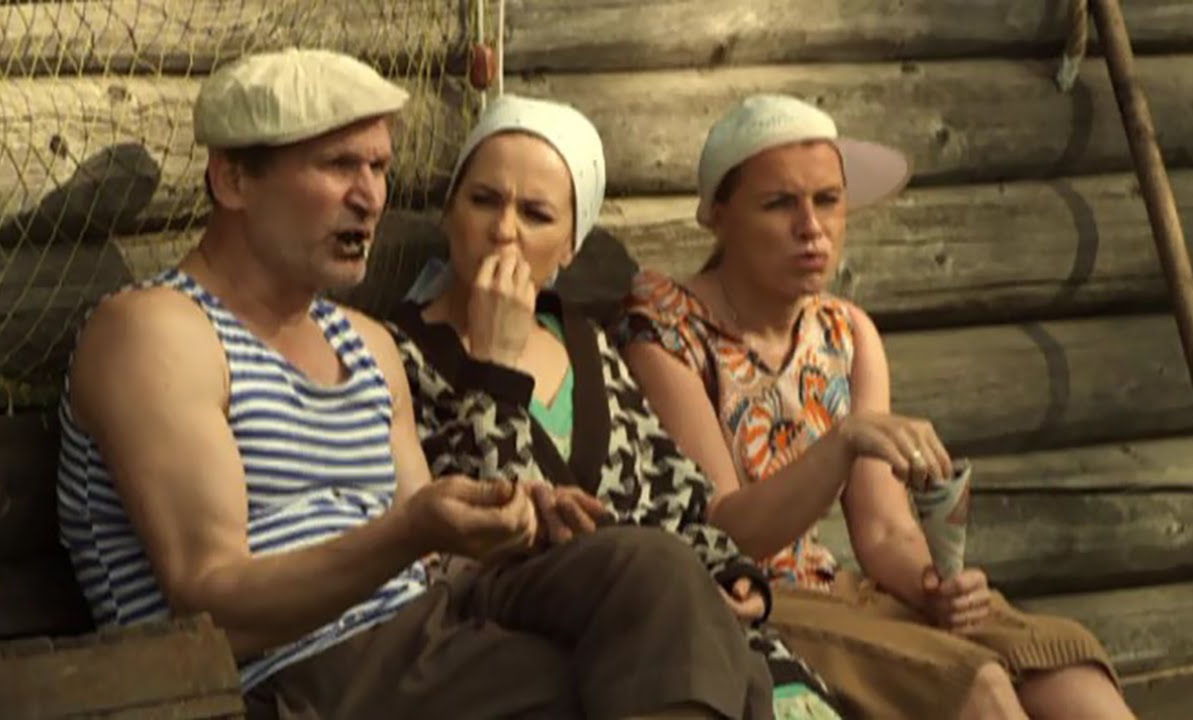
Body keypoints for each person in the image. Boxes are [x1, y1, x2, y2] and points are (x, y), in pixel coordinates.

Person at [56, 48, 773, 720]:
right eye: (339, 165)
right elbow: (212, 604)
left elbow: (438, 564)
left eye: (378, 167)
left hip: (421, 629)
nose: (369, 197)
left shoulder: (364, 343)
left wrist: (513, 521)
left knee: (658, 574)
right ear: (233, 180)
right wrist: (408, 532)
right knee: (614, 678)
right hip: (286, 677)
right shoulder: (157, 332)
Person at [616, 94, 1136, 720]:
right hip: (746, 601)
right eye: (779, 203)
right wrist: (842, 444)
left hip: (836, 590)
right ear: (719, 218)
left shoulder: (845, 332)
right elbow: (726, 531)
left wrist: (933, 587)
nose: (811, 227)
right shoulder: (666, 331)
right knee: (977, 685)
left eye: (828, 200)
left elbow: (884, 529)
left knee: (1065, 665)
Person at [393, 93, 837, 720]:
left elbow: (675, 493)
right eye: (484, 200)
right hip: (526, 640)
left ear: (569, 247)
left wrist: (734, 573)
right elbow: (492, 529)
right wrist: (493, 367)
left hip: (671, 622)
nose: (504, 230)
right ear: (449, 212)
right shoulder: (402, 356)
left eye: (536, 214)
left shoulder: (587, 346)